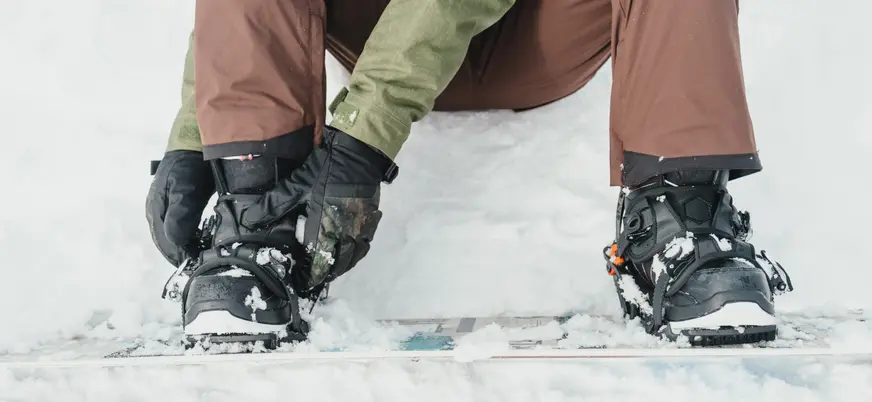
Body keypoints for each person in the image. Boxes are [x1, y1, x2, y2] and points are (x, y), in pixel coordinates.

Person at [146, 0, 793, 348]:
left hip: (540, 35)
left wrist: (363, 139)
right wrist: (195, 139)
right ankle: (259, 223)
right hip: (372, 24)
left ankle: (680, 219)